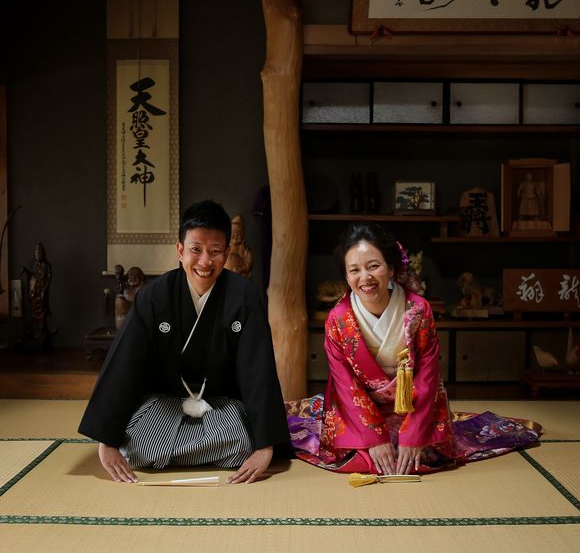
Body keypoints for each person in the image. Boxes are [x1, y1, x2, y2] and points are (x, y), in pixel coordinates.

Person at [286, 223, 541, 475]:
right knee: (362, 459)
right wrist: (373, 438)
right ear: (346, 276)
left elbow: (427, 375)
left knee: (422, 456)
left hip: (411, 402)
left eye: (373, 266)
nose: (365, 278)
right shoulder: (338, 319)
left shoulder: (418, 310)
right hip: (360, 406)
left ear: (391, 268)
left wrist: (413, 435)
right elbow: (345, 383)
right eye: (354, 270)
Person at [79, 200, 289, 484]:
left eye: (215, 251)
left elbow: (257, 370)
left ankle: (182, 451)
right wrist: (107, 440)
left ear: (227, 253)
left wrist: (265, 447)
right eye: (196, 249)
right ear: (180, 251)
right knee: (140, 445)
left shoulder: (244, 296)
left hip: (221, 404)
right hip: (165, 402)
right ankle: (201, 451)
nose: (205, 262)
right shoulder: (154, 297)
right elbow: (125, 365)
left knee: (244, 442)